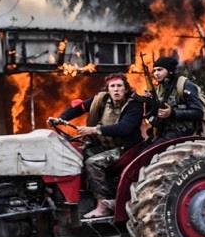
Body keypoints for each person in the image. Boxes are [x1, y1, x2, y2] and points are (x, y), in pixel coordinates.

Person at [54, 73, 143, 218]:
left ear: (125, 89)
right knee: (76, 156)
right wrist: (61, 118)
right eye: (112, 86)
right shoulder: (101, 100)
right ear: (108, 89)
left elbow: (124, 128)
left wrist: (95, 129)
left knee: (93, 163)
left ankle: (104, 205)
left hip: (125, 149)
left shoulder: (135, 104)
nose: (116, 90)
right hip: (105, 146)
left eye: (119, 86)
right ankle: (79, 198)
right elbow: (80, 108)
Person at [148, 56, 204, 142]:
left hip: (182, 133)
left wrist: (173, 113)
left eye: (160, 70)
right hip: (163, 132)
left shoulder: (185, 85)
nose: (156, 73)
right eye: (154, 70)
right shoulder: (160, 88)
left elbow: (198, 112)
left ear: (169, 70)